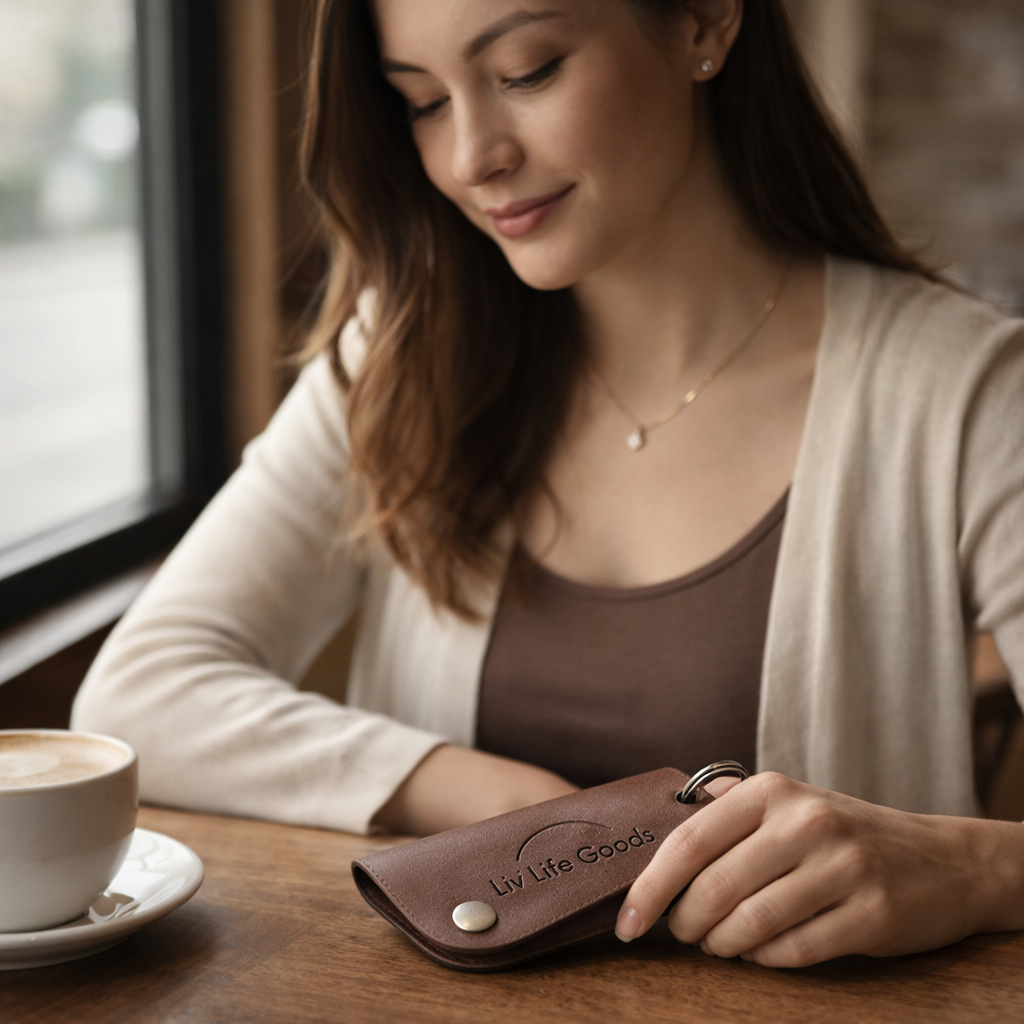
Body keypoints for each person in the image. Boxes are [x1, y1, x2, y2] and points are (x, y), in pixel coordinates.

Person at [73, 0, 1024, 967]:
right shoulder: (399, 366)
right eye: (422, 102)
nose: (470, 157)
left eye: (527, 72)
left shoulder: (968, 394)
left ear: (704, 22)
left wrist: (975, 867)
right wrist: (518, 809)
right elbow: (139, 691)